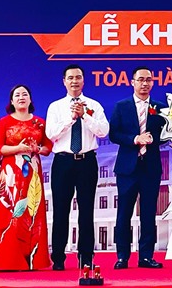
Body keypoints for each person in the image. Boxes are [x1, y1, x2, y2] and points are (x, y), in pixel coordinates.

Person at [45, 65, 109, 271]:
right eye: (70, 78)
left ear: (83, 80)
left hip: (87, 162)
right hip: (63, 162)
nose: (74, 81)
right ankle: (58, 258)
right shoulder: (55, 107)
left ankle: (86, 258)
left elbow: (103, 131)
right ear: (64, 81)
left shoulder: (94, 105)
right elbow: (51, 134)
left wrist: (84, 116)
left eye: (78, 77)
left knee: (86, 211)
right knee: (60, 211)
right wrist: (70, 118)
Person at [109, 66, 166, 269]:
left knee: (149, 213)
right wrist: (135, 139)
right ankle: (122, 256)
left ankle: (146, 256)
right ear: (132, 82)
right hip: (127, 168)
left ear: (152, 83)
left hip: (150, 167)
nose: (144, 83)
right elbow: (114, 134)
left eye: (148, 80)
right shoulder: (121, 106)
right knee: (124, 213)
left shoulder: (161, 108)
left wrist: (153, 139)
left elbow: (167, 135)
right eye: (140, 80)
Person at [0, 84, 52, 270]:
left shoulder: (40, 122)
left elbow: (48, 148)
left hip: (32, 170)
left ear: (30, 99)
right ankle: (8, 260)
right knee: (10, 211)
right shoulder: (3, 123)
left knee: (32, 211)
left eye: (25, 94)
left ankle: (33, 260)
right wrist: (18, 148)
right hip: (11, 171)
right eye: (17, 95)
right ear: (12, 101)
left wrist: (37, 149)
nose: (21, 97)